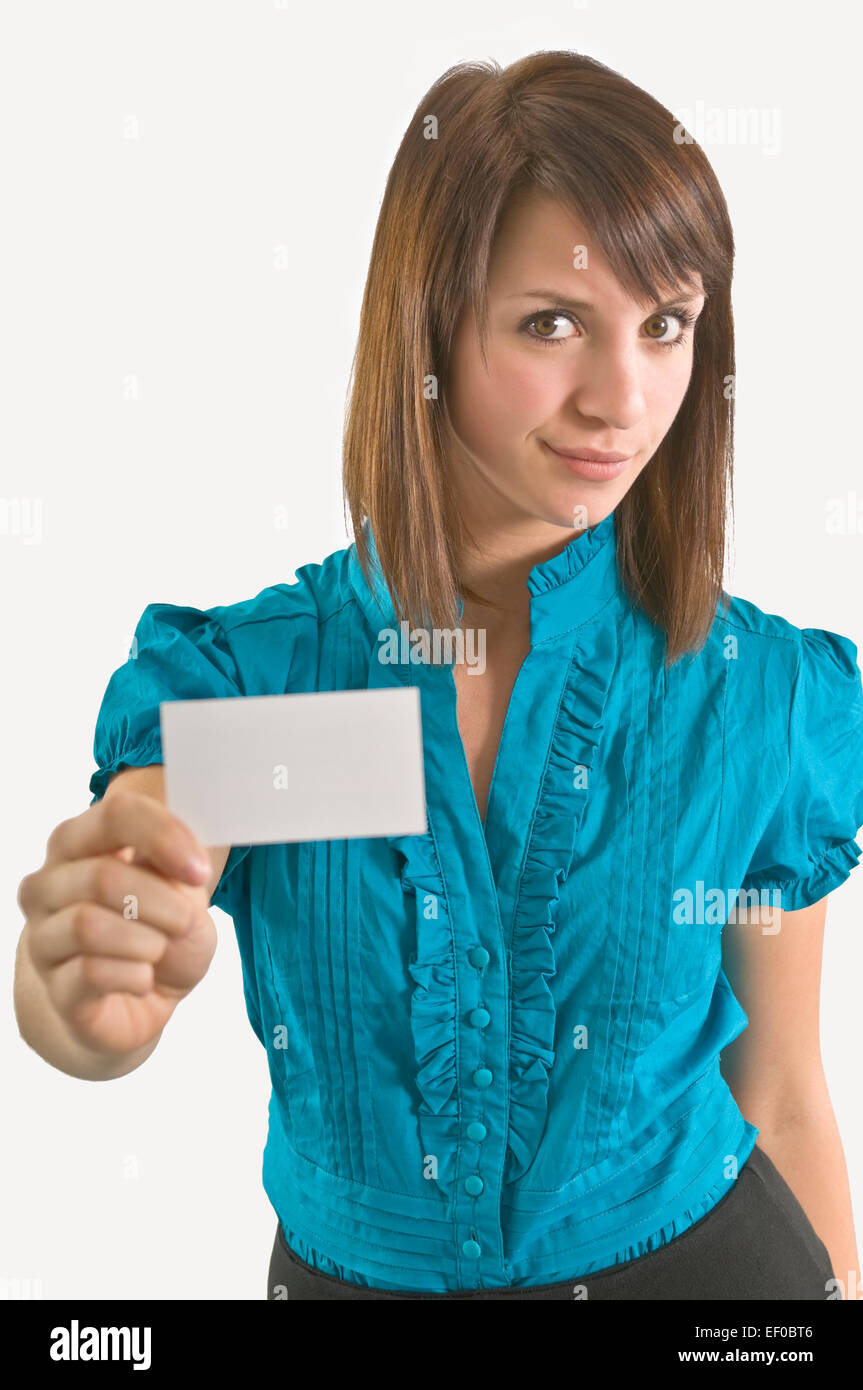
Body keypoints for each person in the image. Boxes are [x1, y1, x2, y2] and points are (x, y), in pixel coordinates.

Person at [14, 50, 863, 1301]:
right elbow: (117, 902)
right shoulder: (249, 684)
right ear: (428, 327)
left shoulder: (756, 694)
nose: (623, 399)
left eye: (665, 325)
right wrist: (76, 999)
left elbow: (783, 1081)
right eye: (552, 322)